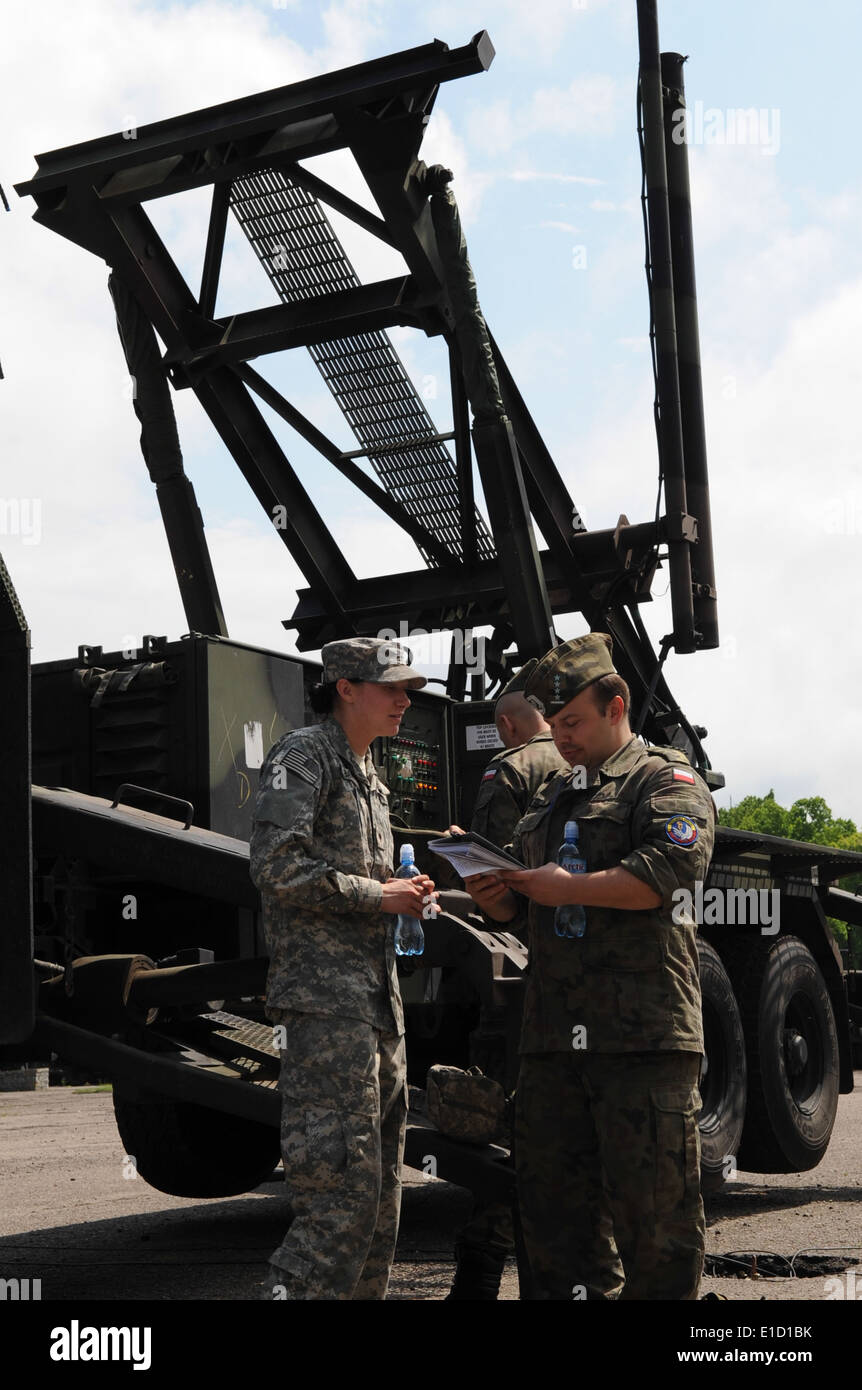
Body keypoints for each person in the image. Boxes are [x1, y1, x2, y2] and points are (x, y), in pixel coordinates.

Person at [465, 632, 715, 1300]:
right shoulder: (550, 795)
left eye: (572, 723)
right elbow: (527, 907)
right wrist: (497, 899)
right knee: (554, 1238)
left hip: (642, 1045)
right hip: (552, 1048)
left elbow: (670, 874)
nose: (562, 738)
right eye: (554, 725)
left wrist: (566, 887)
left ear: (616, 705)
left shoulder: (665, 780)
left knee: (656, 1233)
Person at [249, 636, 436, 1300]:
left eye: (408, 689)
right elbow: (275, 867)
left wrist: (406, 894)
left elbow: (362, 882)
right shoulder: (302, 756)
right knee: (335, 1210)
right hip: (326, 1014)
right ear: (346, 688)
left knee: (380, 1209)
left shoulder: (371, 777)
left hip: (377, 1012)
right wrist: (379, 895)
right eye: (391, 687)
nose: (405, 700)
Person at [446, 659, 570, 1300]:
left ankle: (477, 1284)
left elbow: (492, 871)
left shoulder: (513, 769)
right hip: (585, 974)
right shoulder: (591, 767)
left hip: (527, 976)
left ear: (503, 725)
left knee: (506, 1130)